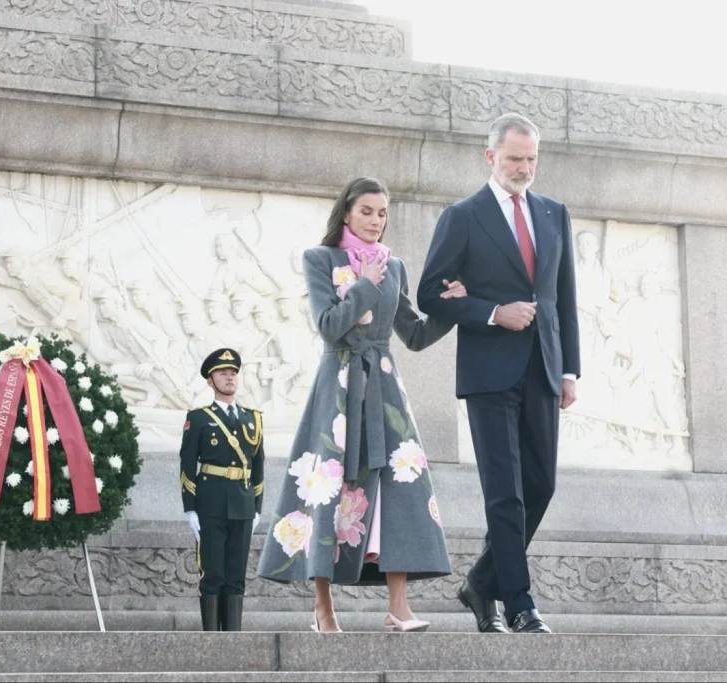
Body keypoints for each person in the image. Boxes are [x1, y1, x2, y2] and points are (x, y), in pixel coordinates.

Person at [256, 177, 467, 633]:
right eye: (367, 211)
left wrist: (450, 310)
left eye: (382, 213)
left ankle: (399, 608)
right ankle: (323, 608)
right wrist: (365, 284)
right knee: (327, 486)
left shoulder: (395, 265)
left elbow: (414, 335)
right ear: (347, 213)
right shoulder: (320, 259)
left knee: (400, 483)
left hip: (385, 388)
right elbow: (329, 325)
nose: (375, 220)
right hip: (337, 386)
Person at [416, 112, 581, 634]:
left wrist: (570, 370)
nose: (524, 168)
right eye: (514, 159)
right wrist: (491, 312)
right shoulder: (462, 216)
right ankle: (519, 603)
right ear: (491, 156)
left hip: (544, 367)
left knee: (542, 485)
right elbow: (428, 293)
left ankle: (479, 583)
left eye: (531, 159)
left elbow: (563, 298)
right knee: (505, 493)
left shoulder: (554, 213)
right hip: (488, 371)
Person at [179, 348, 265, 631]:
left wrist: (257, 507)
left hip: (243, 504)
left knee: (236, 575)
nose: (229, 377)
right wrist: (190, 509)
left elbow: (258, 466)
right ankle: (212, 640)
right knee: (213, 573)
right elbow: (187, 464)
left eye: (233, 373)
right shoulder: (199, 418)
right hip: (211, 504)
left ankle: (233, 638)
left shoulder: (253, 419)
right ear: (210, 381)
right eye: (222, 373)